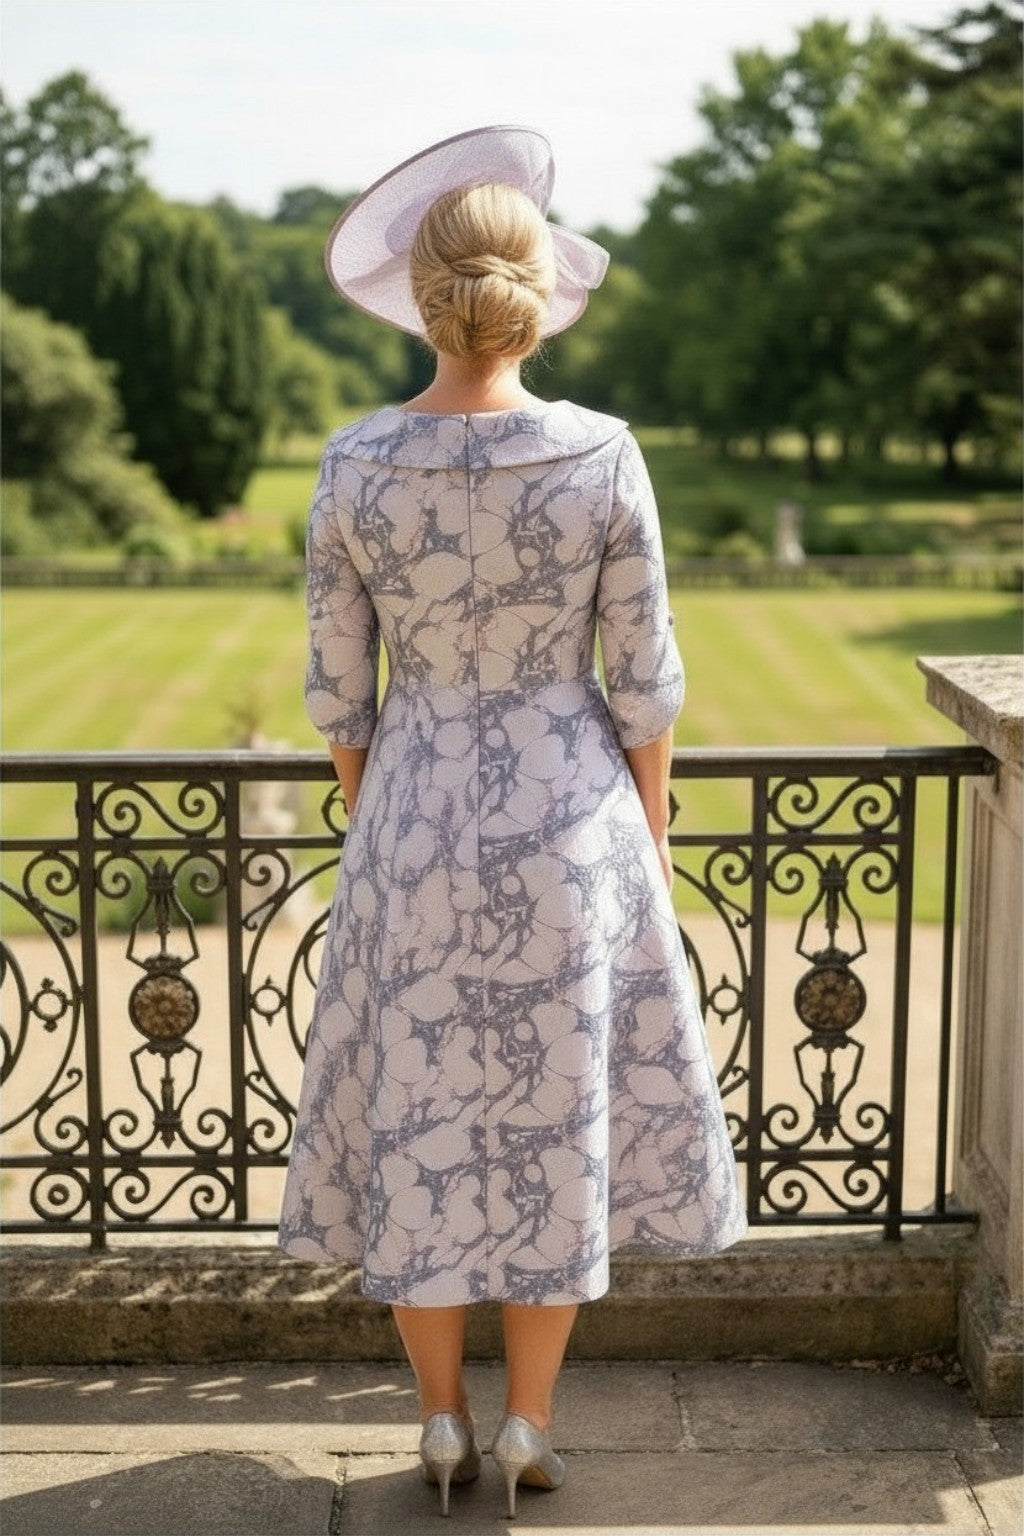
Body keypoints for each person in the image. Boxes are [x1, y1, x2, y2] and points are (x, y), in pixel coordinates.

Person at [276, 125, 748, 1519]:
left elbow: (336, 694)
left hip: (414, 818)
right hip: (570, 825)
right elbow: (645, 679)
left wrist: (378, 830)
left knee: (424, 1120)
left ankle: (439, 1423)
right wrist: (648, 836)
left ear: (422, 300)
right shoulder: (605, 455)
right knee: (551, 1131)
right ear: (534, 292)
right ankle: (533, 1423)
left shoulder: (355, 463)